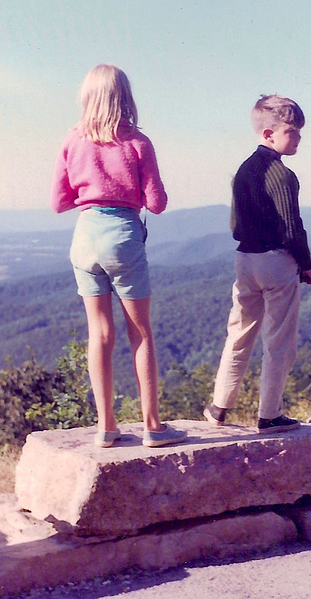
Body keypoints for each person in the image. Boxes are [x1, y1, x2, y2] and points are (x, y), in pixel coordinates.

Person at [51, 64, 187, 448]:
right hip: (123, 236)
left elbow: (58, 202)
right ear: (124, 97)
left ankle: (106, 427)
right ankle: (152, 426)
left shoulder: (71, 141)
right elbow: (157, 203)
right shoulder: (137, 142)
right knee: (140, 333)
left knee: (100, 334)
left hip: (84, 237)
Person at [204, 94, 311, 433]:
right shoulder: (282, 176)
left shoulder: (243, 171)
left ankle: (219, 406)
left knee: (238, 334)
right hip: (276, 262)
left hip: (245, 259)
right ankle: (270, 414)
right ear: (269, 133)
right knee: (279, 341)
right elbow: (292, 228)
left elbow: (235, 225)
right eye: (292, 132)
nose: (298, 138)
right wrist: (307, 264)